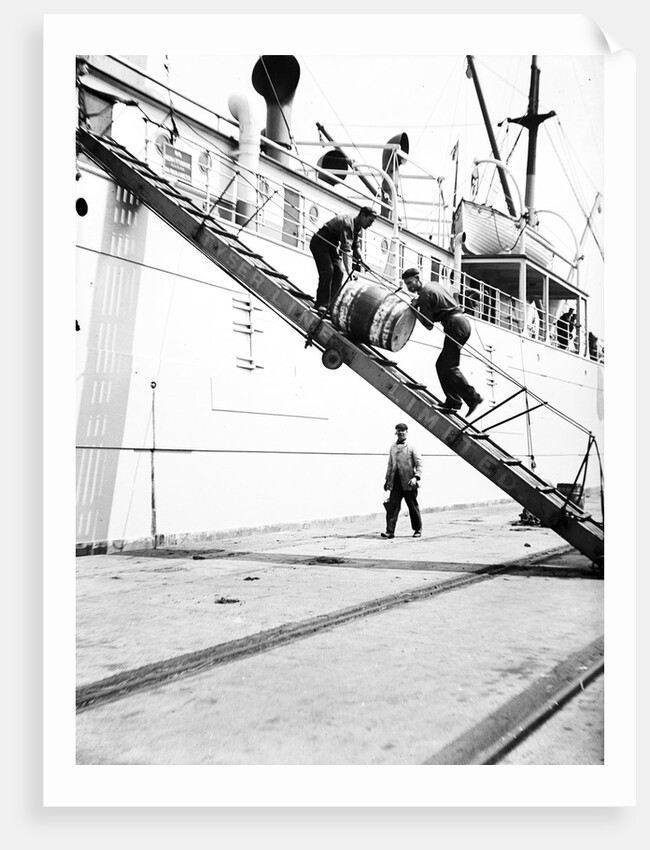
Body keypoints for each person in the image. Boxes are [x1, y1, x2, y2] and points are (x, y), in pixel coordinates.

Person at [402, 268, 483, 416]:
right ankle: (454, 401)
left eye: (410, 282)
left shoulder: (425, 295)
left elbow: (428, 325)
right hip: (462, 323)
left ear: (417, 278)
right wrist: (419, 302)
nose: (409, 287)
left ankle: (472, 398)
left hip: (454, 325)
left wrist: (415, 309)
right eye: (406, 284)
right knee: (442, 365)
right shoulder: (433, 285)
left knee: (449, 366)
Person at [309, 206, 377, 310]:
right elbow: (346, 250)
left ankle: (331, 306)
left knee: (339, 272)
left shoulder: (357, 227)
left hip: (331, 245)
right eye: (370, 221)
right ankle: (321, 303)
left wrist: (363, 261)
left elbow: (355, 246)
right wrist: (349, 270)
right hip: (320, 241)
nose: (371, 225)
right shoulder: (348, 224)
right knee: (328, 271)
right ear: (363, 215)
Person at [382, 423, 422, 539]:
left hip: (409, 482)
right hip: (395, 482)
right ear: (396, 432)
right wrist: (387, 480)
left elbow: (419, 463)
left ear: (406, 432)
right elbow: (390, 464)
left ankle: (417, 529)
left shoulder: (412, 446)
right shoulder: (393, 447)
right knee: (392, 507)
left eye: (403, 430)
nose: (401, 432)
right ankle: (390, 531)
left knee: (413, 507)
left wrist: (416, 477)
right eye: (399, 430)